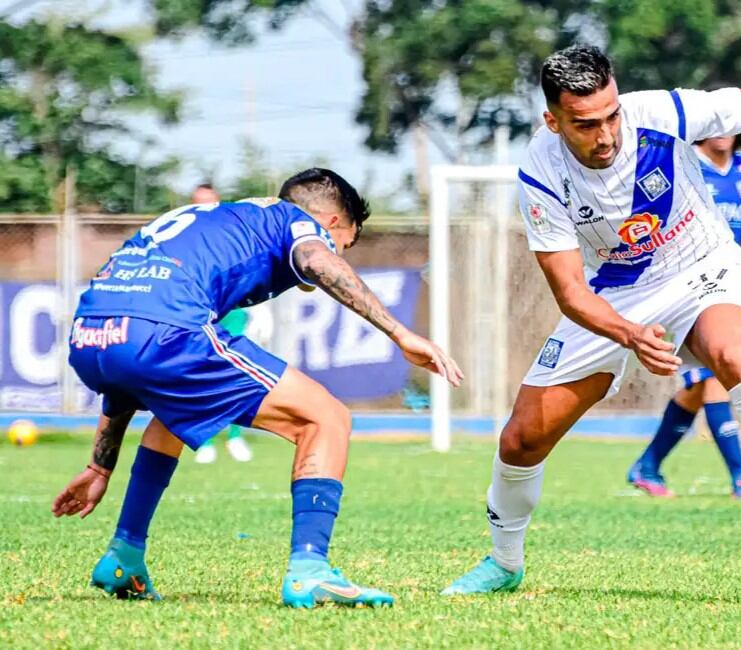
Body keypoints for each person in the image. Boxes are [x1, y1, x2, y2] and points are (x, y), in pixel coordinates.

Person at [442, 45, 741, 598]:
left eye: (611, 116)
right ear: (552, 121)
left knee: (733, 356)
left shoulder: (661, 113)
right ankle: (505, 563)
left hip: (701, 262)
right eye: (584, 125)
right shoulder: (539, 173)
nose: (605, 136)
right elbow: (572, 291)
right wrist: (628, 335)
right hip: (614, 294)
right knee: (522, 437)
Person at [51, 168, 462, 608]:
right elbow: (315, 260)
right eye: (348, 243)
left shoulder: (217, 220)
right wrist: (401, 334)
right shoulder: (295, 219)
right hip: (165, 332)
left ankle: (124, 556)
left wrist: (100, 467)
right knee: (327, 418)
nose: (342, 251)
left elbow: (132, 352)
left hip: (90, 335)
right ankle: (310, 570)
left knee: (177, 416)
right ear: (334, 223)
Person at [627, 133, 741, 500]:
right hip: (687, 287)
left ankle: (648, 465)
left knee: (700, 385)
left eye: (728, 122)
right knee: (717, 376)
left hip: (729, 286)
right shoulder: (684, 162)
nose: (721, 129)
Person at [186, 184, 254, 464]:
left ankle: (236, 437)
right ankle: (206, 440)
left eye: (210, 203)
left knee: (236, 374)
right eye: (198, 203)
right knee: (201, 376)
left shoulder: (232, 234)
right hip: (199, 313)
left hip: (232, 312)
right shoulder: (183, 236)